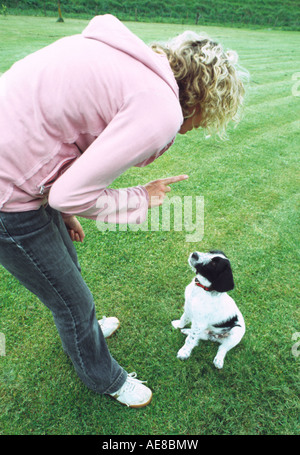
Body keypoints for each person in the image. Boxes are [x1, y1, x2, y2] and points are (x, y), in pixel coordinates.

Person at [0, 15, 246, 408]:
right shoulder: (161, 109)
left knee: (69, 273)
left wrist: (63, 208)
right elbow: (69, 193)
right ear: (202, 97)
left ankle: (84, 335)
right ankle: (105, 378)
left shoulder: (125, 57)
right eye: (211, 113)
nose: (201, 126)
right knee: (72, 302)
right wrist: (140, 197)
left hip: (21, 174)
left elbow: (60, 131)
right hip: (7, 193)